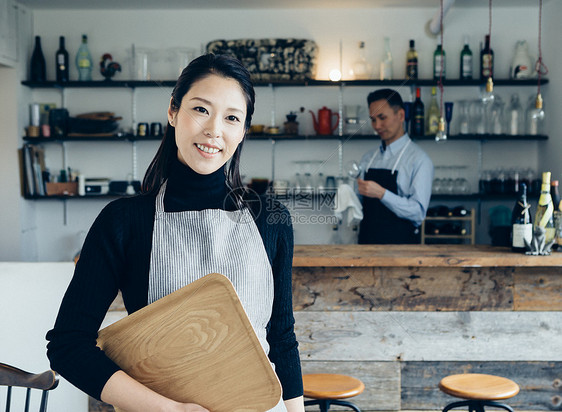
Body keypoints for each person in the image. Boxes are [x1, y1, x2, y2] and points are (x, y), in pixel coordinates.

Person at [46, 53, 304, 412]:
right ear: (173, 111)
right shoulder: (123, 221)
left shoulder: (271, 219)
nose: (214, 130)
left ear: (243, 131)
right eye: (201, 109)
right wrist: (172, 410)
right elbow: (67, 346)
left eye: (232, 117)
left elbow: (282, 338)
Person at [356, 88, 434, 244]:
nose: (377, 125)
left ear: (401, 116)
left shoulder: (419, 160)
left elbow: (418, 213)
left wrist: (382, 193)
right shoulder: (368, 158)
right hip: (366, 247)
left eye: (382, 117)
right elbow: (360, 205)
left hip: (401, 250)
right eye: (373, 119)